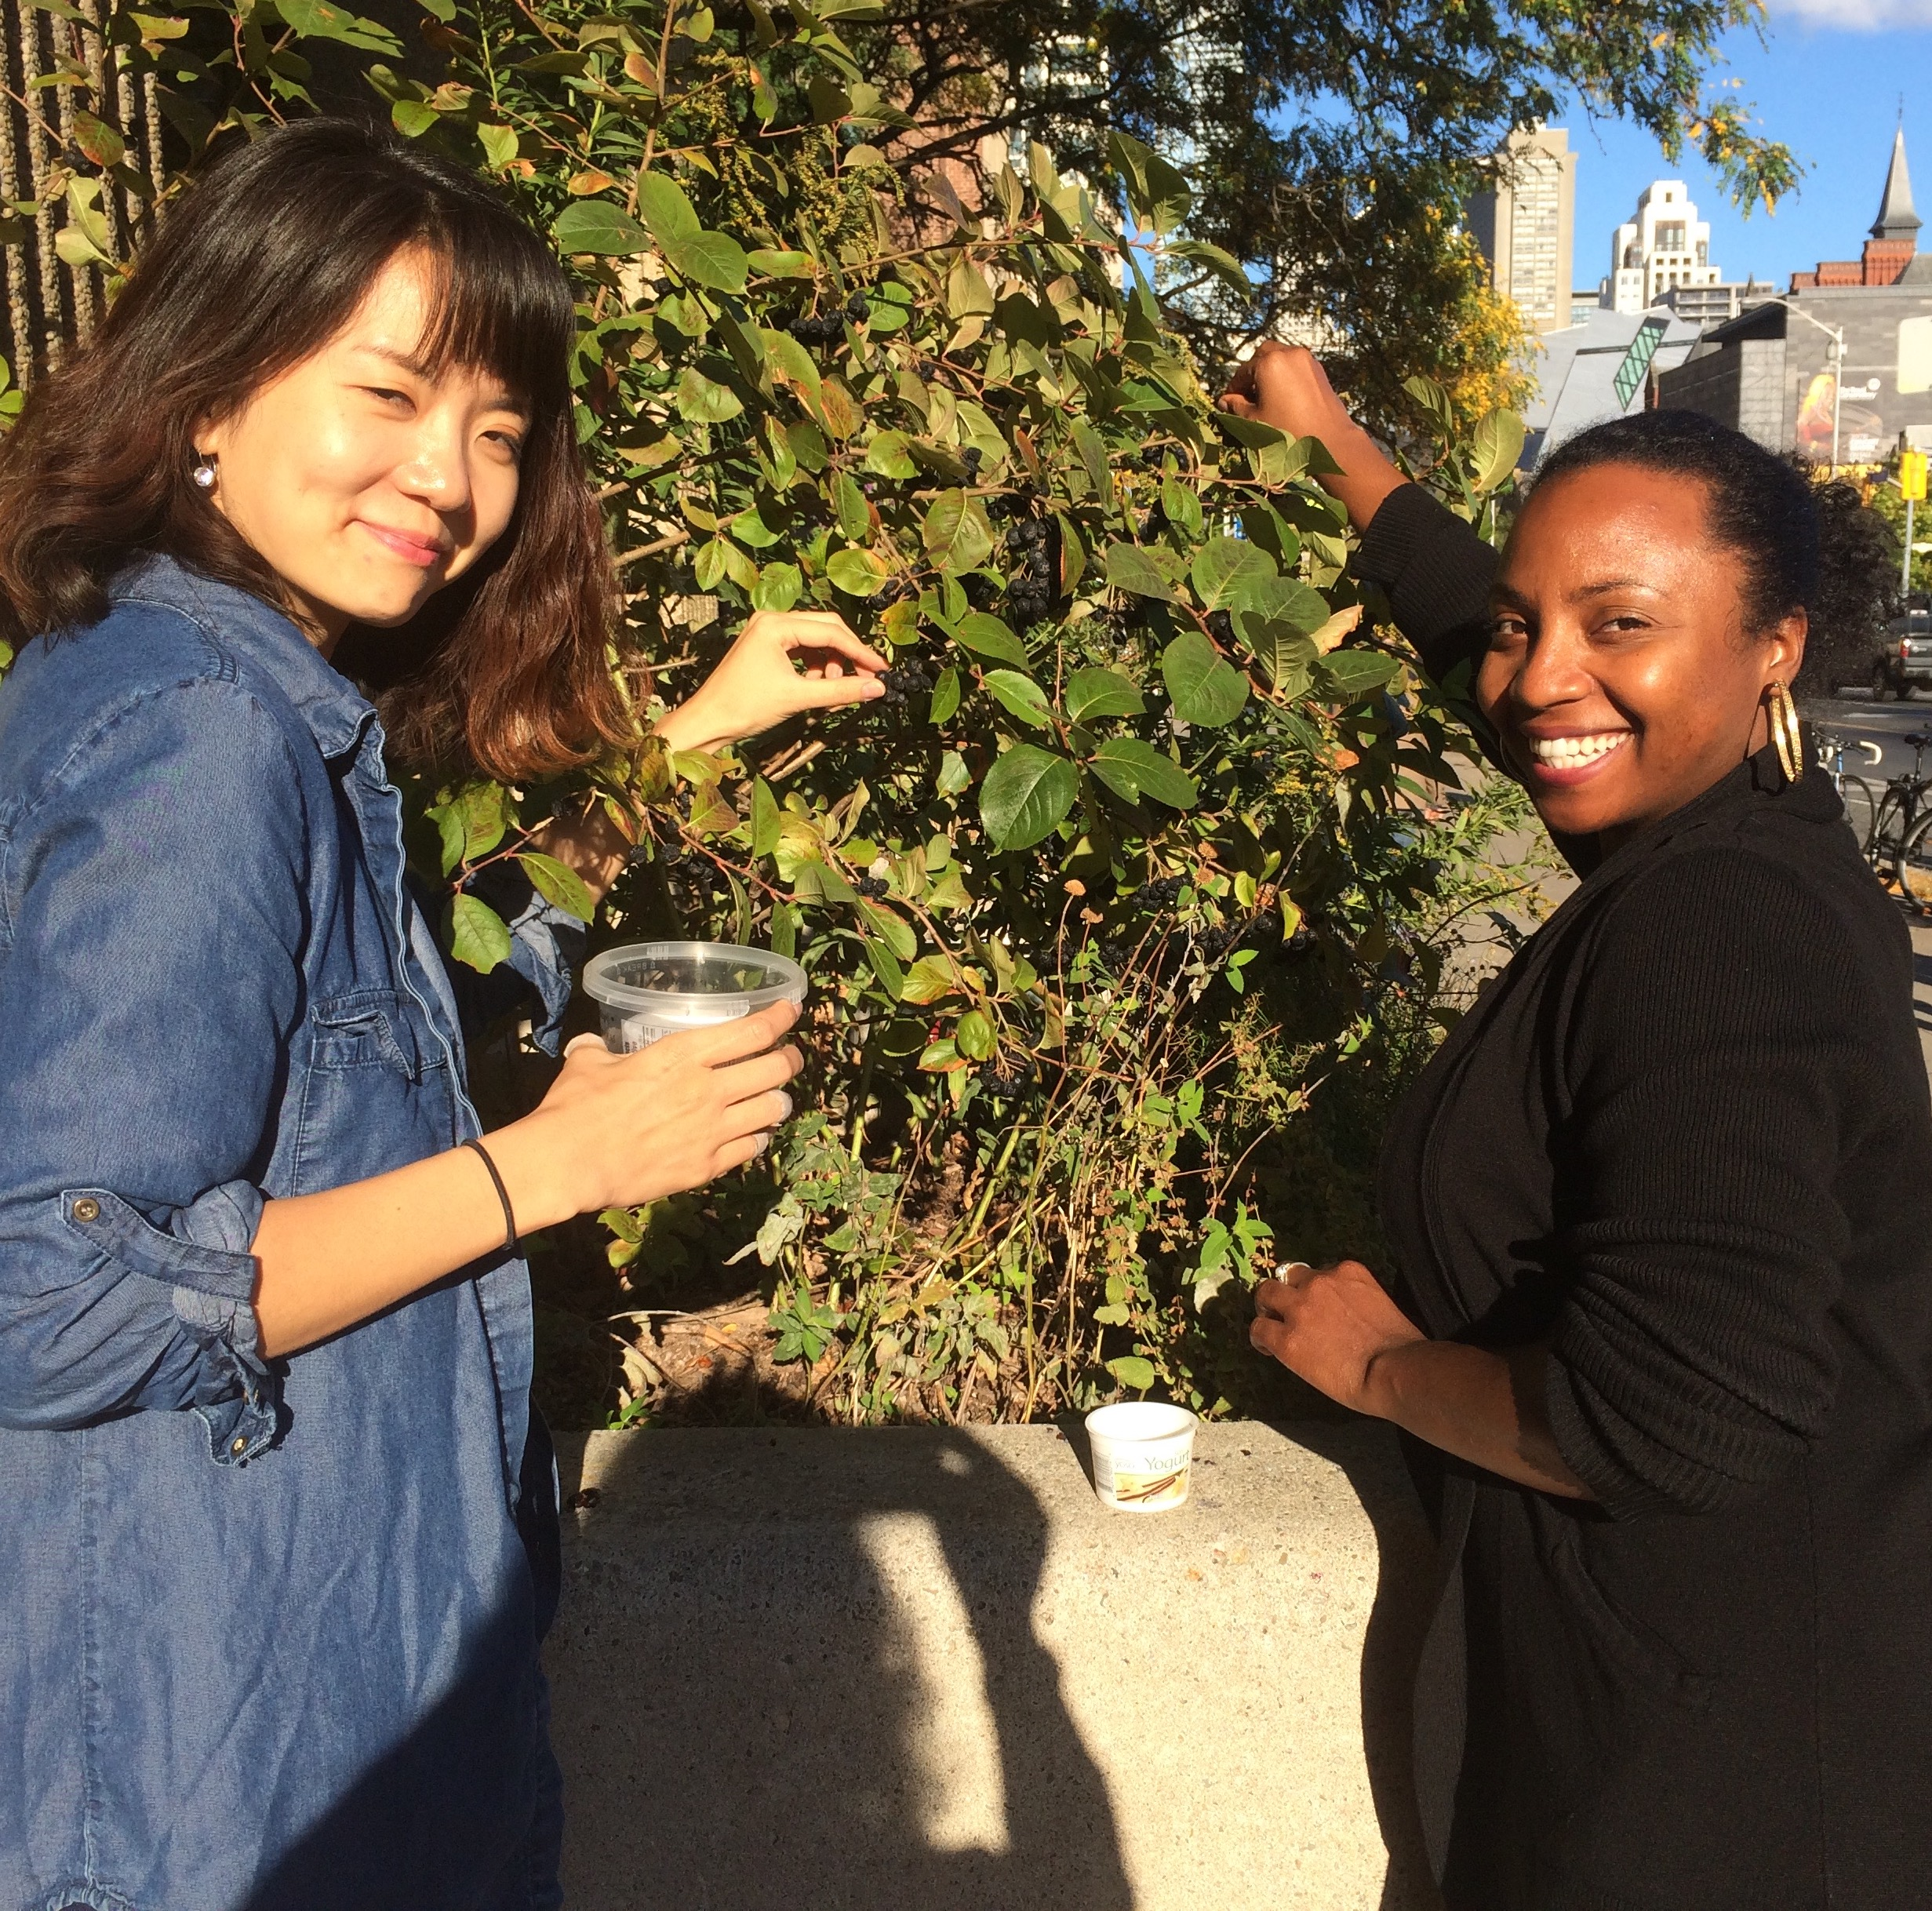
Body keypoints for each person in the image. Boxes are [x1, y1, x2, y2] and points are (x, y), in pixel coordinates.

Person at [0, 119, 886, 1909]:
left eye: (495, 430)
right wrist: (550, 1169)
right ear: (206, 393)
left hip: (319, 1733)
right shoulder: (205, 740)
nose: (452, 479)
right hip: (226, 1791)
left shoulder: (216, 690)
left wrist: (679, 744)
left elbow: (391, 1010)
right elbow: (51, 1297)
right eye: (391, 395)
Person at [1223, 345, 1932, 1906]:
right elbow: (1519, 657)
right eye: (1523, 627)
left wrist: (1381, 1368)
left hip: (1704, 1803)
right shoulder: (1734, 828)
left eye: (1620, 625)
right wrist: (1334, 438)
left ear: (1774, 650)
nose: (1542, 676)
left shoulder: (1718, 927)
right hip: (1725, 1724)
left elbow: (1683, 1414)